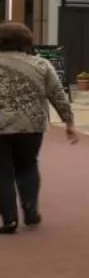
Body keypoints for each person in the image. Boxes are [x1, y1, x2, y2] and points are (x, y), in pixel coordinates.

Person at [0, 21, 78, 234]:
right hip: (31, 126)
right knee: (28, 166)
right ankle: (31, 210)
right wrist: (68, 121)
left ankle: (9, 219)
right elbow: (57, 95)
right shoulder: (41, 65)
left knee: (2, 172)